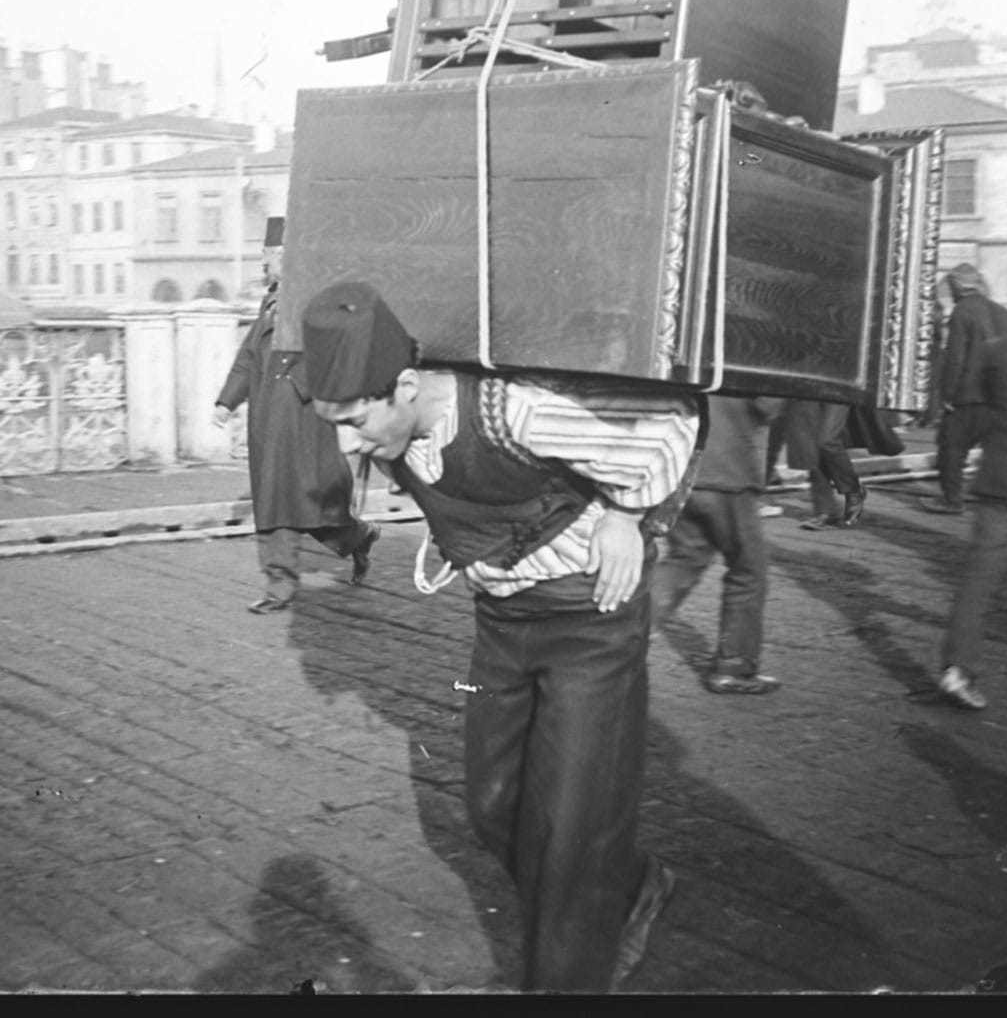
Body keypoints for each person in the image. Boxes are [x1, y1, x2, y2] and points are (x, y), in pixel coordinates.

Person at [301, 281, 702, 992]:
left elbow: (675, 417)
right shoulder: (395, 424)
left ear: (403, 385)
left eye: (356, 419)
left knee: (572, 833)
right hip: (501, 623)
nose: (346, 441)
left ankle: (569, 971)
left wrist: (627, 513)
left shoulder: (517, 407)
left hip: (589, 622)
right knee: (492, 806)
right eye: (333, 422)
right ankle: (632, 885)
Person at [213, 219, 379, 614]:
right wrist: (226, 402)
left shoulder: (317, 298)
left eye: (266, 256)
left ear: (286, 257)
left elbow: (339, 348)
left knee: (310, 505)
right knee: (276, 500)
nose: (261, 263)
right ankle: (279, 586)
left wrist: (298, 384)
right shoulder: (270, 300)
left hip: (303, 416)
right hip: (269, 417)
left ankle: (358, 537)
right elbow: (249, 355)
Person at [938, 252, 1007, 711]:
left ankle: (956, 669)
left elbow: (982, 404)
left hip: (998, 478)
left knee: (978, 580)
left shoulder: (998, 350)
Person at [652, 394, 786, 694]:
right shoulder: (753, 354)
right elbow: (767, 405)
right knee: (749, 570)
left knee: (686, 558)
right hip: (729, 470)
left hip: (682, 468)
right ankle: (735, 665)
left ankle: (628, 633)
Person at [924, 263, 1007, 515]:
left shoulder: (962, 311)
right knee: (998, 450)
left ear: (957, 286)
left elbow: (955, 357)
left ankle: (951, 500)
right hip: (999, 398)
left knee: (952, 448)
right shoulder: (1003, 312)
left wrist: (947, 396)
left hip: (968, 396)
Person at [781, 400, 865, 530]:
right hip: (807, 386)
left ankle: (853, 489)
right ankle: (826, 512)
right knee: (811, 442)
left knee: (827, 441)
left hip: (840, 385)